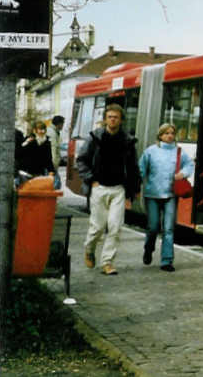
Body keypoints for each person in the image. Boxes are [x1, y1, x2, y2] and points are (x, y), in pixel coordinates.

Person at [77, 103, 142, 276]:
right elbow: (81, 160)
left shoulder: (127, 141)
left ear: (121, 120)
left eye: (116, 117)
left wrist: (134, 189)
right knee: (97, 227)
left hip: (118, 189)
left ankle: (107, 262)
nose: (113, 120)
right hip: (99, 187)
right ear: (105, 119)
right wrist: (91, 180)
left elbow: (133, 166)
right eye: (110, 117)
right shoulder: (94, 138)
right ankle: (89, 249)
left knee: (115, 227)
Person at [139, 123, 194, 272]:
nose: (169, 136)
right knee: (153, 227)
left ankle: (167, 261)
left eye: (172, 133)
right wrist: (135, 186)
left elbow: (189, 165)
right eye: (166, 133)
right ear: (160, 135)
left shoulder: (179, 152)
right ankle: (148, 248)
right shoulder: (150, 151)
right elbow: (141, 169)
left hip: (171, 195)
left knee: (169, 228)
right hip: (152, 194)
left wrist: (183, 173)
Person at [49, 115, 65, 189]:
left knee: (55, 183)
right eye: (62, 124)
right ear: (59, 124)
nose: (63, 126)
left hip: (50, 164)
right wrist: (54, 165)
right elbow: (53, 149)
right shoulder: (52, 133)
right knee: (55, 184)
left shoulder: (54, 132)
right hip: (51, 164)